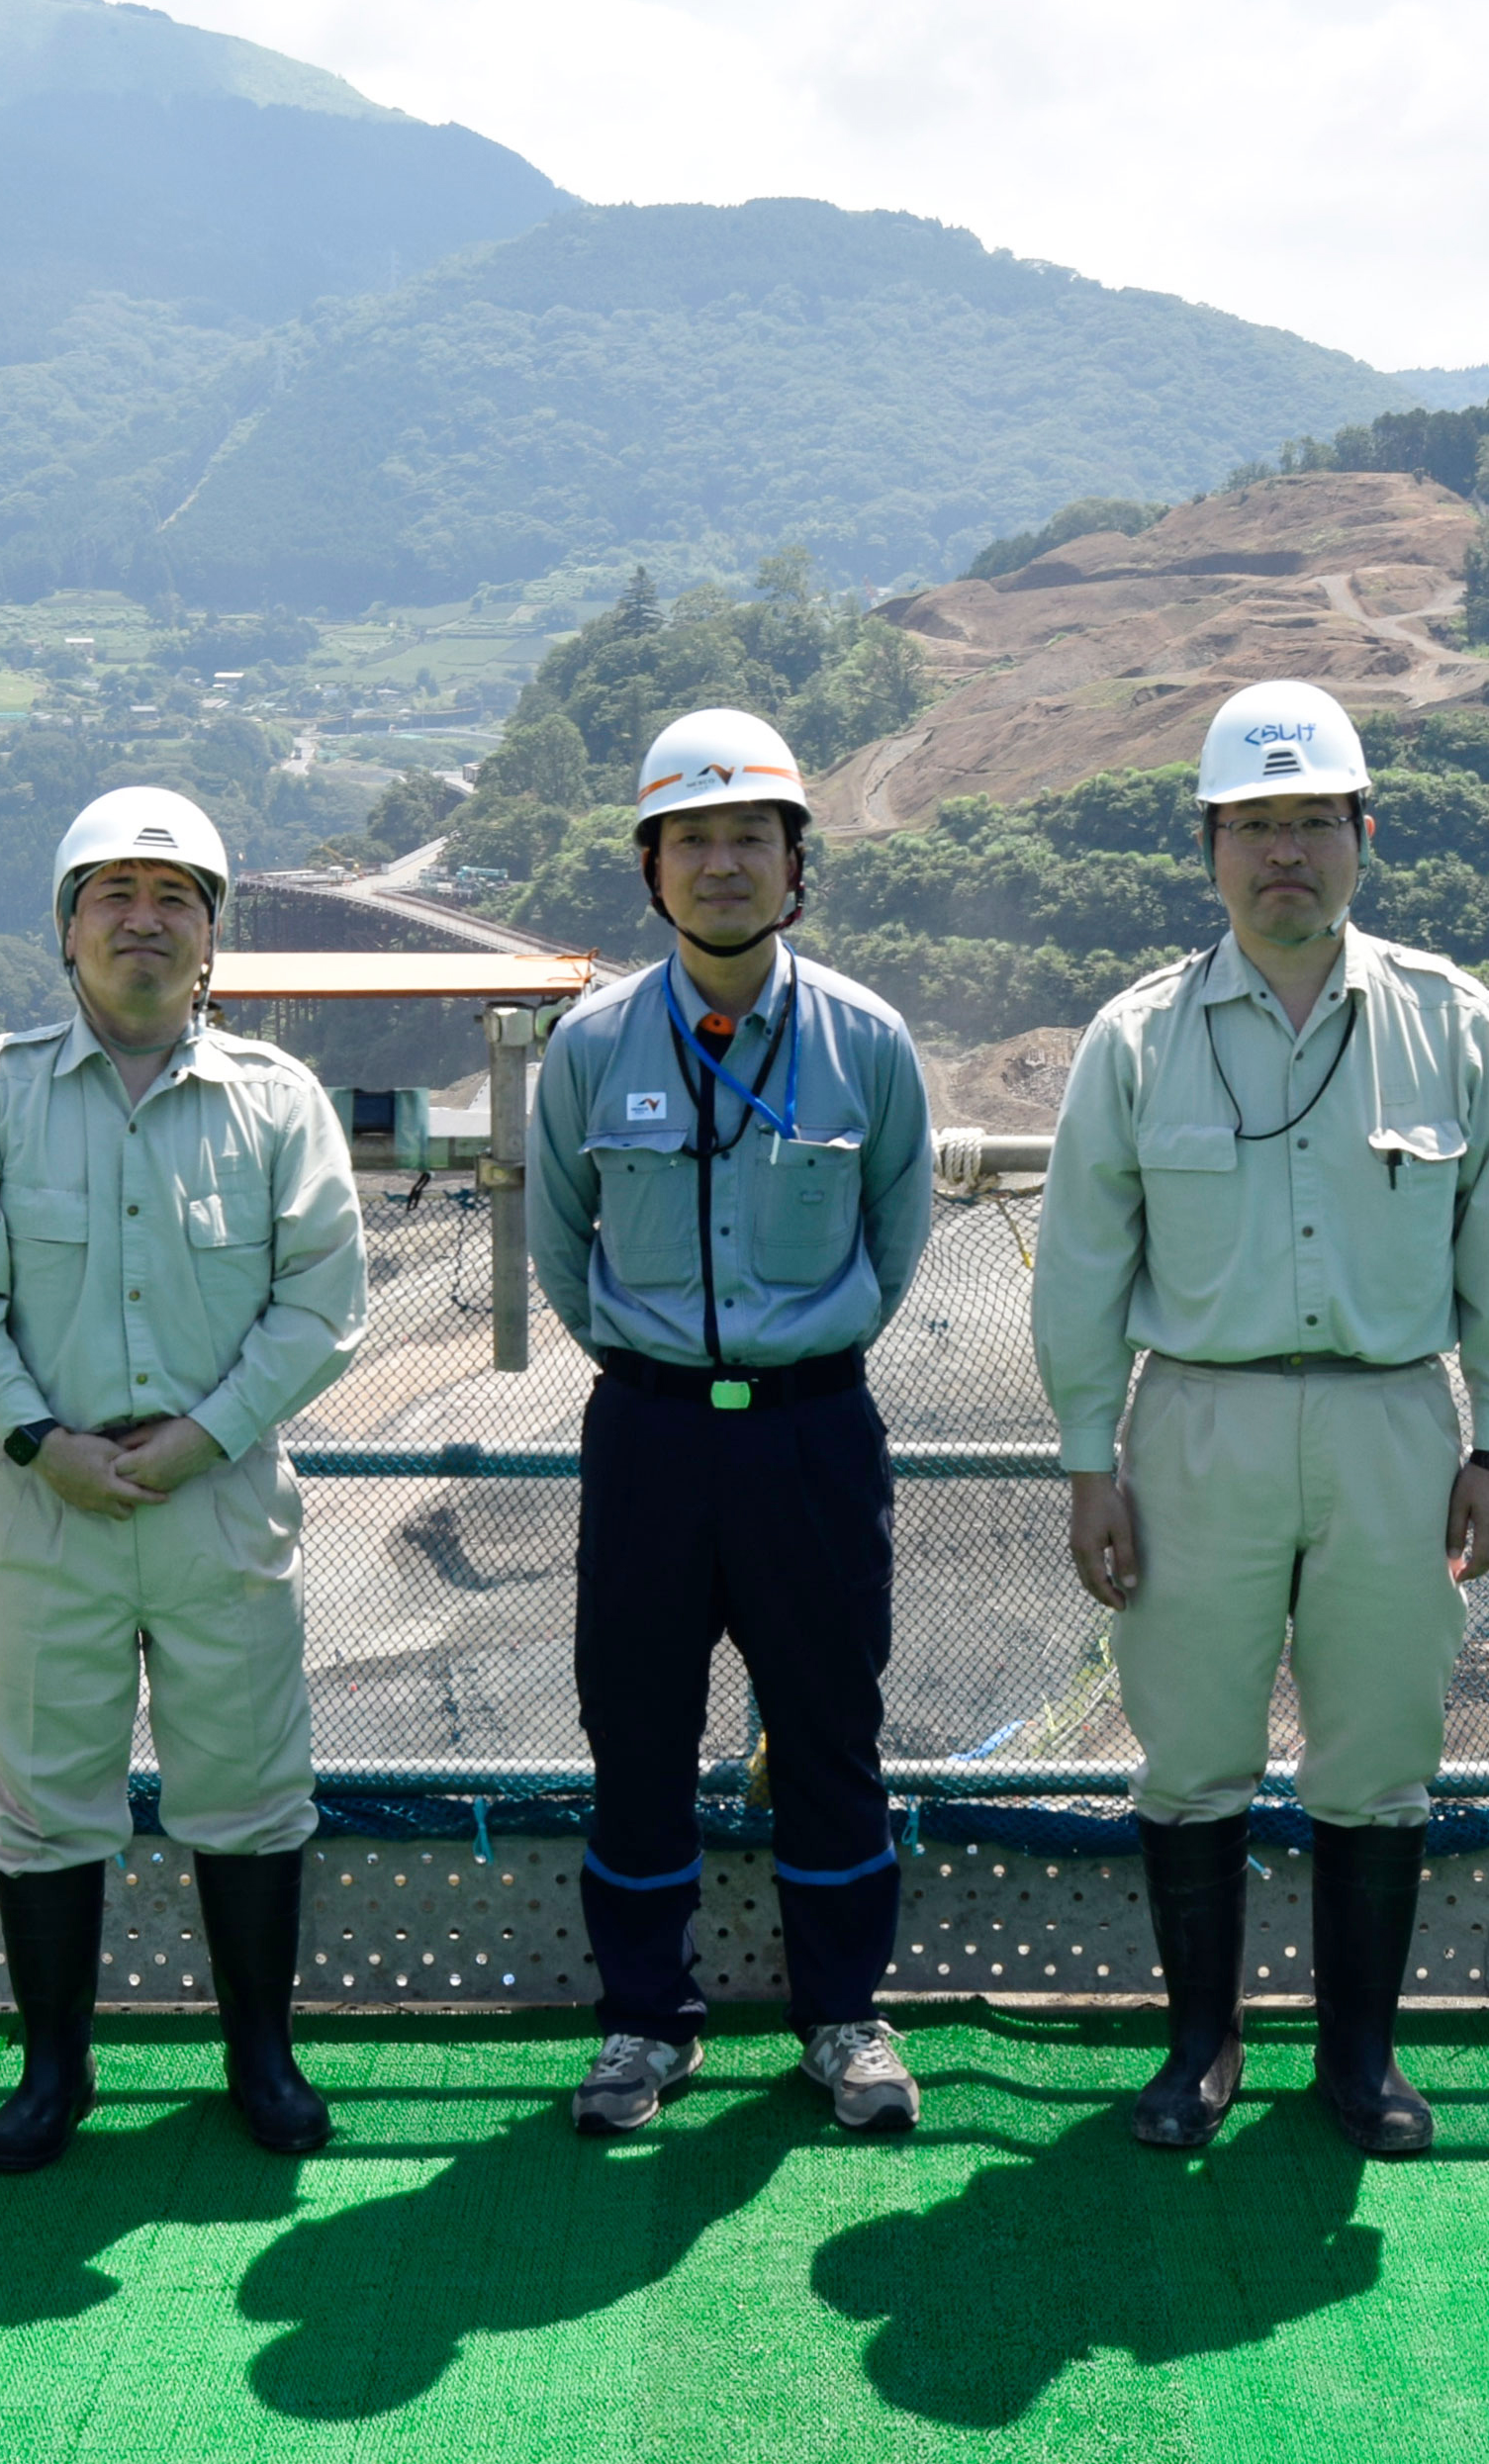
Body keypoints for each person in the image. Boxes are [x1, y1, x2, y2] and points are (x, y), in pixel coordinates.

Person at [1035, 679, 1489, 2157]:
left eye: (1313, 822)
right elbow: (1081, 1269)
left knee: (1380, 1754)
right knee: (1191, 1749)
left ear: (1363, 834)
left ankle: (1360, 2060)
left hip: (1398, 1427)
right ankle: (1201, 2051)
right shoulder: (1136, 1039)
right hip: (1198, 1426)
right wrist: (1089, 1464)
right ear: (1208, 847)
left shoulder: (1451, 1021)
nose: (1285, 855)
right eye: (1254, 826)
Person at [0, 787, 367, 2172]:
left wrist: (201, 1438)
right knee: (43, 1794)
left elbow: (322, 1303)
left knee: (251, 1785)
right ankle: (55, 2071)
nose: (145, 922)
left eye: (177, 899)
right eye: (115, 895)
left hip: (218, 1492)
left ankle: (261, 2057)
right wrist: (44, 1440)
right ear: (66, 927)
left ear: (214, 938)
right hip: (47, 1496)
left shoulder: (277, 1103)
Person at [530, 708, 934, 2139]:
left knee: (831, 1729)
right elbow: (562, 1249)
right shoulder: (587, 1047)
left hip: (812, 1435)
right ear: (651, 868)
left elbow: (895, 1240)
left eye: (747, 838)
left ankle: (843, 2018)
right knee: (634, 1730)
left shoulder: (867, 1044)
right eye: (691, 840)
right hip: (645, 1437)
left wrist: (785, 1363)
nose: (720, 865)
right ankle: (644, 2024)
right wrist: (660, 1370)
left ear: (793, 864)